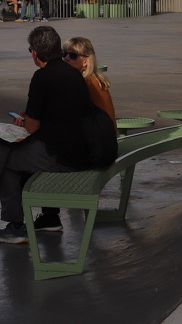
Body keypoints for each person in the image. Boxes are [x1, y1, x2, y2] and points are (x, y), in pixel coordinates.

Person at [0, 25, 92, 244]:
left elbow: (32, 127)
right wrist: (31, 120)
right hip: (78, 150)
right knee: (6, 153)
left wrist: (25, 122)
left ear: (34, 53)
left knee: (3, 150)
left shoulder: (43, 76)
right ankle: (14, 220)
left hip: (65, 158)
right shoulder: (72, 73)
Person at [33, 35, 118, 234]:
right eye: (63, 54)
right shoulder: (96, 79)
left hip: (97, 149)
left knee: (46, 155)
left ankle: (49, 216)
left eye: (72, 55)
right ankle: (49, 216)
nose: (66, 59)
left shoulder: (85, 83)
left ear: (86, 60)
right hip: (104, 143)